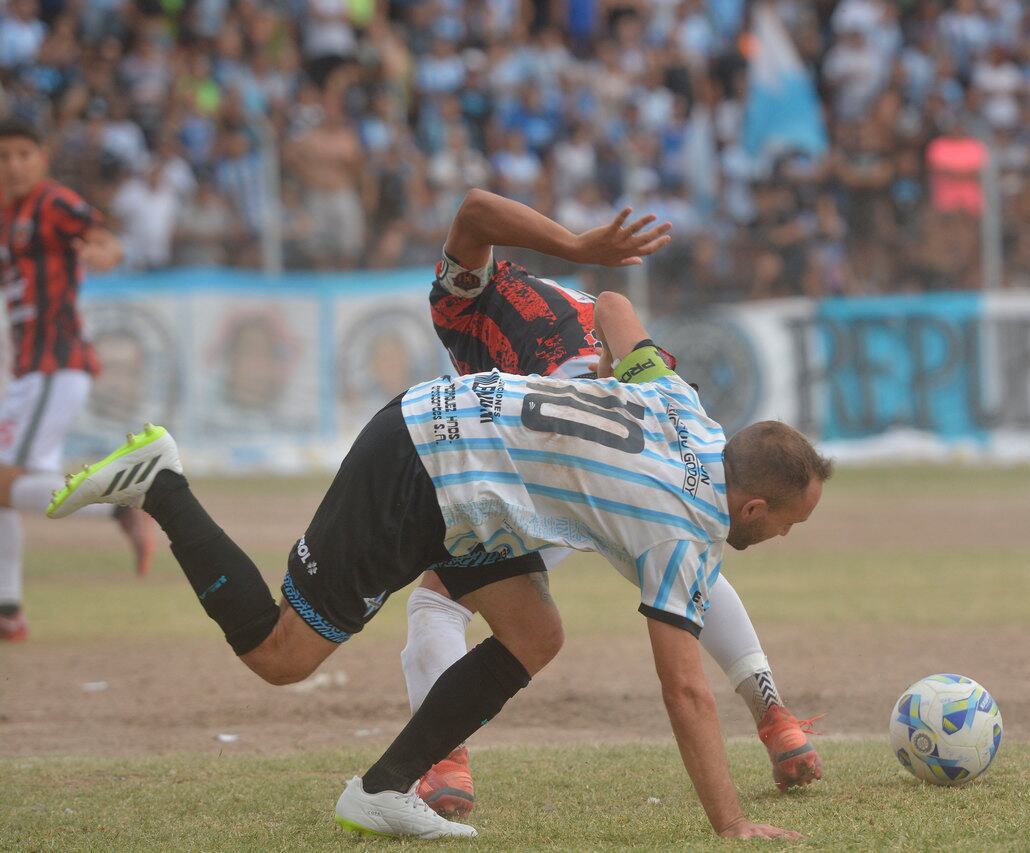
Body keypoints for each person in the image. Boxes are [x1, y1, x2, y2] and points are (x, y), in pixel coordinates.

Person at [47, 216, 829, 840]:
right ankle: (162, 484)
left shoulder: (685, 408)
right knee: (280, 655)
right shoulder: (683, 530)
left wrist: (612, 381)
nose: (785, 537)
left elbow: (616, 308)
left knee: (536, 631)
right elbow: (684, 687)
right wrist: (730, 825)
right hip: (423, 464)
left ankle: (384, 788)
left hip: (472, 485)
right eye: (789, 524)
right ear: (753, 507)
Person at [405, 189, 824, 820]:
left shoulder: (458, 301)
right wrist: (608, 357)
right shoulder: (553, 298)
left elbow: (473, 210)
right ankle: (777, 718)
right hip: (641, 424)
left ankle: (443, 763)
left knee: (438, 596)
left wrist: (576, 243)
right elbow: (611, 304)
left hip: (548, 458)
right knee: (688, 565)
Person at [0, 117, 153, 642]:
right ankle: (8, 609)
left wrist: (103, 253)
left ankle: (123, 501)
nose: (14, 165)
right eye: (4, 157)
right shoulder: (7, 215)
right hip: (31, 370)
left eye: (23, 153)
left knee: (2, 482)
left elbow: (105, 240)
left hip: (55, 363)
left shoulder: (52, 201)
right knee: (15, 489)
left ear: (42, 157)